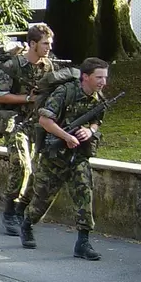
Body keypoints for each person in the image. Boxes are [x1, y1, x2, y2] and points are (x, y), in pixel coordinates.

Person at [21, 57, 109, 261]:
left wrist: (90, 131)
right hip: (55, 156)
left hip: (78, 156)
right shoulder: (65, 93)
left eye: (105, 77)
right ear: (85, 77)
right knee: (41, 200)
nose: (103, 82)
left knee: (84, 193)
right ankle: (26, 224)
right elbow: (44, 120)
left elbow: (97, 121)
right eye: (99, 77)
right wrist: (66, 136)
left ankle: (83, 242)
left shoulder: (98, 98)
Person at [0, 24, 55, 235]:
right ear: (33, 44)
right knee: (21, 164)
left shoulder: (48, 67)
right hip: (15, 121)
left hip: (38, 123)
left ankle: (21, 209)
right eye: (45, 43)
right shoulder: (12, 65)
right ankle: (9, 211)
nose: (48, 47)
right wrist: (28, 98)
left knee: (39, 169)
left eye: (50, 43)